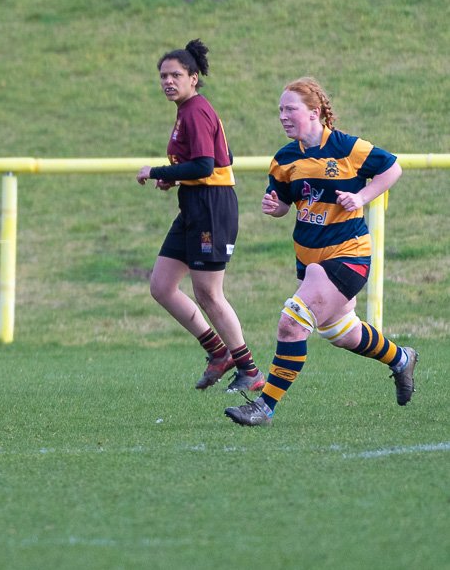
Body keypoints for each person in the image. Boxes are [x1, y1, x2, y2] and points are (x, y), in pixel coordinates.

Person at [225, 78, 417, 426]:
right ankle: (401, 358)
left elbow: (392, 168)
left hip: (348, 255)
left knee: (291, 323)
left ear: (315, 112)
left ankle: (264, 407)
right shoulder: (284, 159)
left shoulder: (347, 147)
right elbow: (285, 203)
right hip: (309, 257)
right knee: (342, 331)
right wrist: (275, 207)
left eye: (290, 109)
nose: (283, 116)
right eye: (280, 110)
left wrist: (360, 197)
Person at [136, 39, 262, 393]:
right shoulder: (189, 112)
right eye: (163, 76)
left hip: (211, 208)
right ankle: (217, 353)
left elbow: (208, 164)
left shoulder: (196, 110)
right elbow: (225, 156)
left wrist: (159, 171)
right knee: (162, 285)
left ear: (194, 77)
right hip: (193, 204)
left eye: (176, 75)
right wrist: (176, 177)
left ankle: (249, 370)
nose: (168, 82)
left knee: (208, 293)